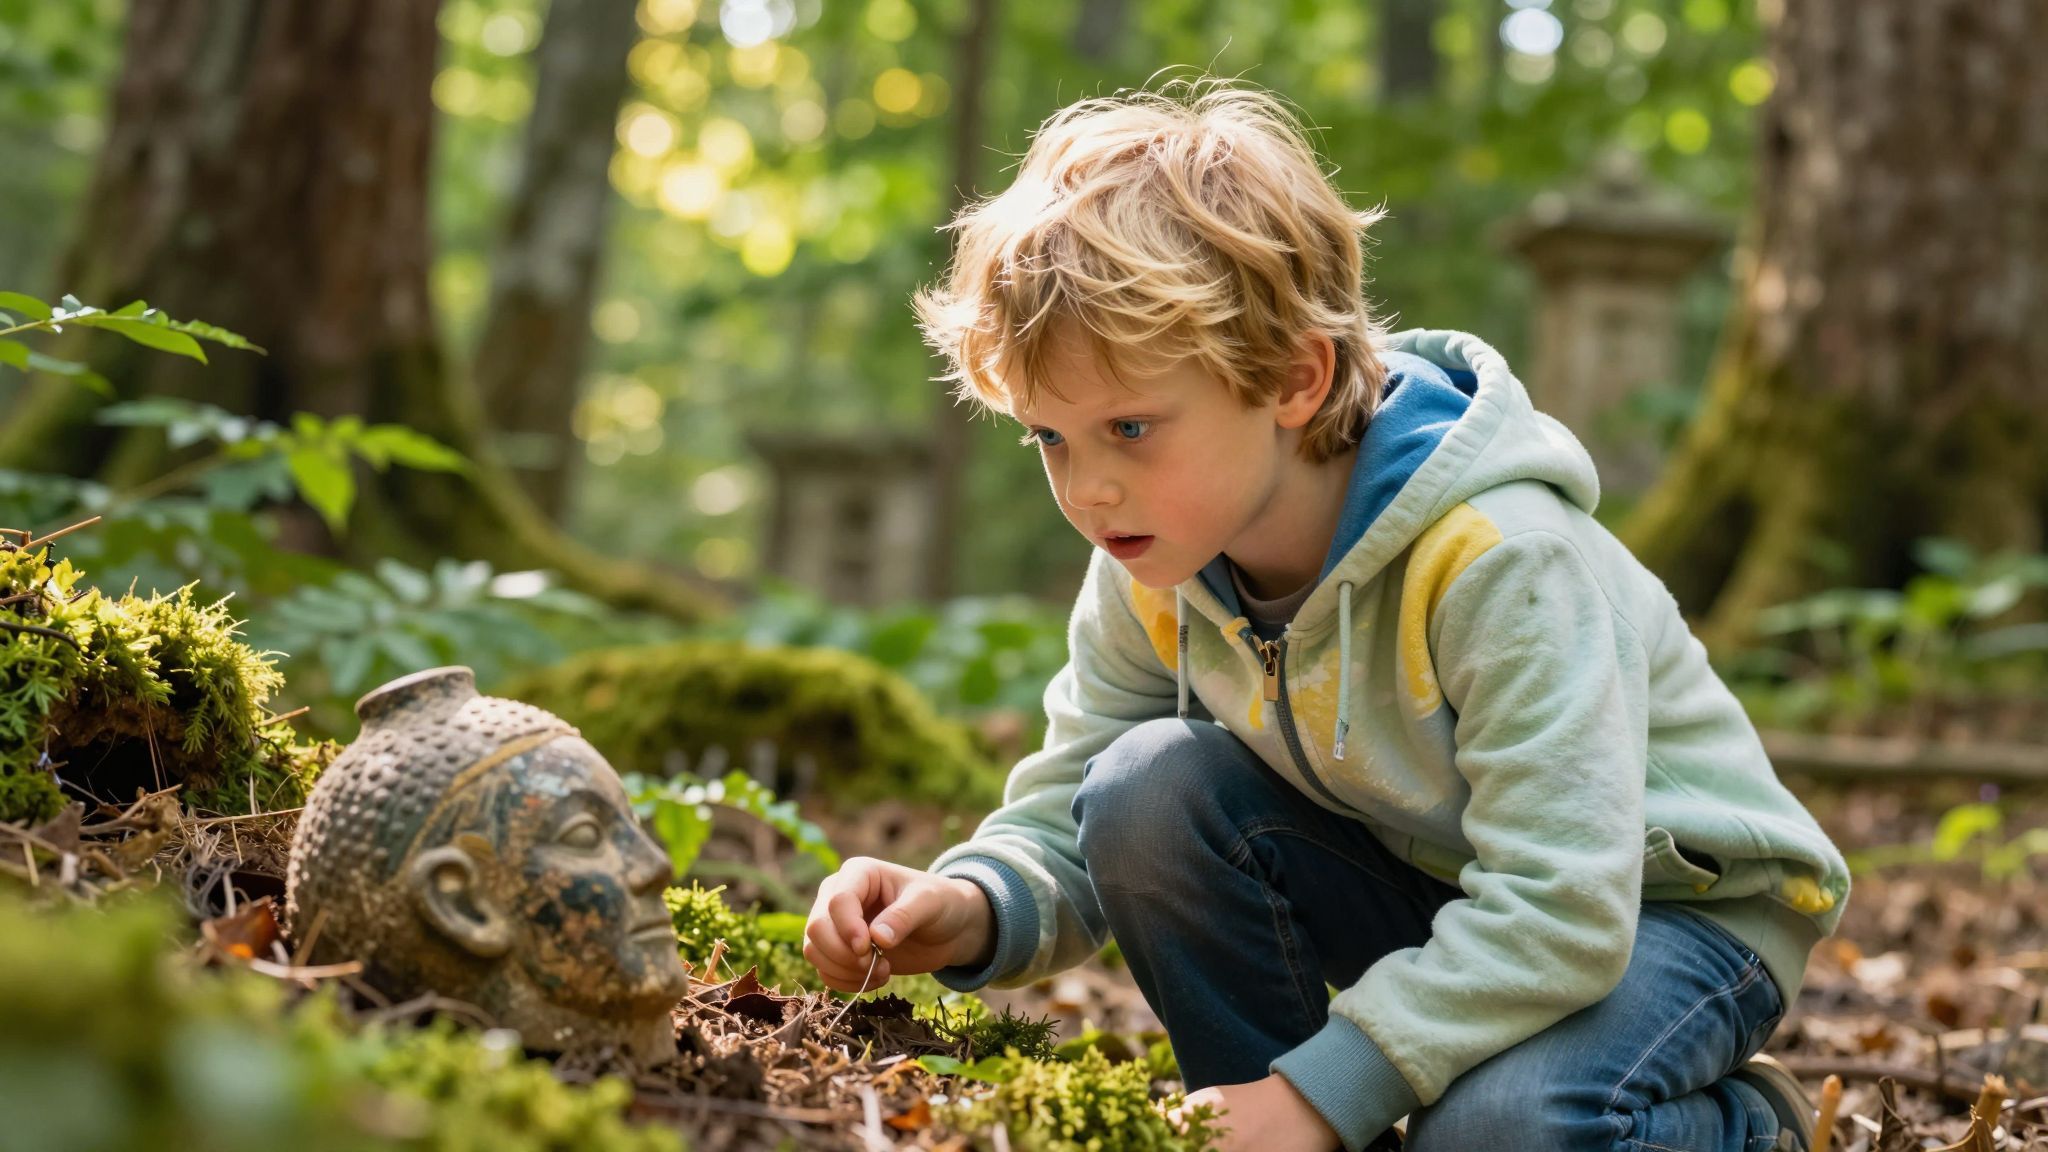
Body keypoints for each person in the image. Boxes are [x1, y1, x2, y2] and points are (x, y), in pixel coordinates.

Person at [801, 77, 1848, 1152]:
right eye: (1049, 438)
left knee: (1499, 1133)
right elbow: (1075, 796)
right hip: (1437, 884)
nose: (1085, 490)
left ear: (1293, 379)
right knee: (1146, 788)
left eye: (1127, 426)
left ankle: (1743, 1129)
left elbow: (1564, 908)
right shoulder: (1150, 562)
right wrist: (969, 901)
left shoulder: (1497, 560)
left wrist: (1321, 1093)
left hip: (1663, 913)